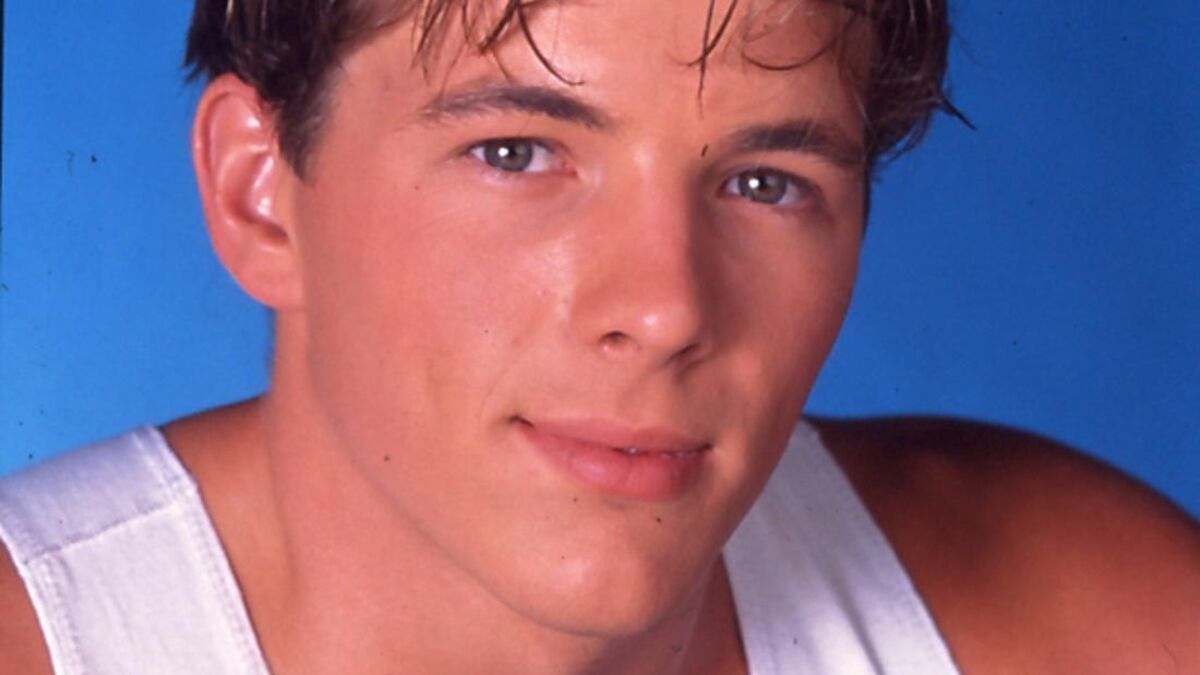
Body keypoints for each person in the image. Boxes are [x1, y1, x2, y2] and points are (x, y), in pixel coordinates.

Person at [2, 0, 1198, 673]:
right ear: (261, 196)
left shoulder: (1096, 623)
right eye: (517, 153)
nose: (668, 309)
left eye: (766, 181)